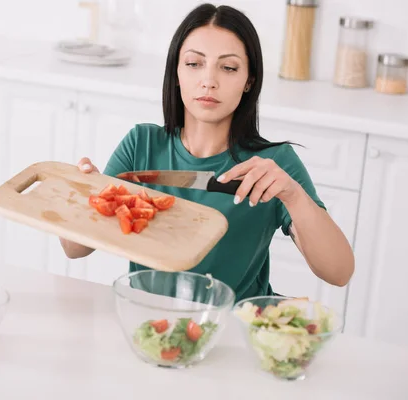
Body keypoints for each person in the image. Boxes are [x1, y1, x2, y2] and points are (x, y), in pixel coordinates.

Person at [59, 3, 354, 301]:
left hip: (235, 328)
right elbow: (75, 249)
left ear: (249, 80)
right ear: (176, 72)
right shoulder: (141, 144)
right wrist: (82, 194)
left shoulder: (273, 164)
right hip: (150, 322)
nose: (209, 80)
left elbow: (338, 273)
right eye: (193, 63)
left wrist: (293, 195)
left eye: (228, 67)